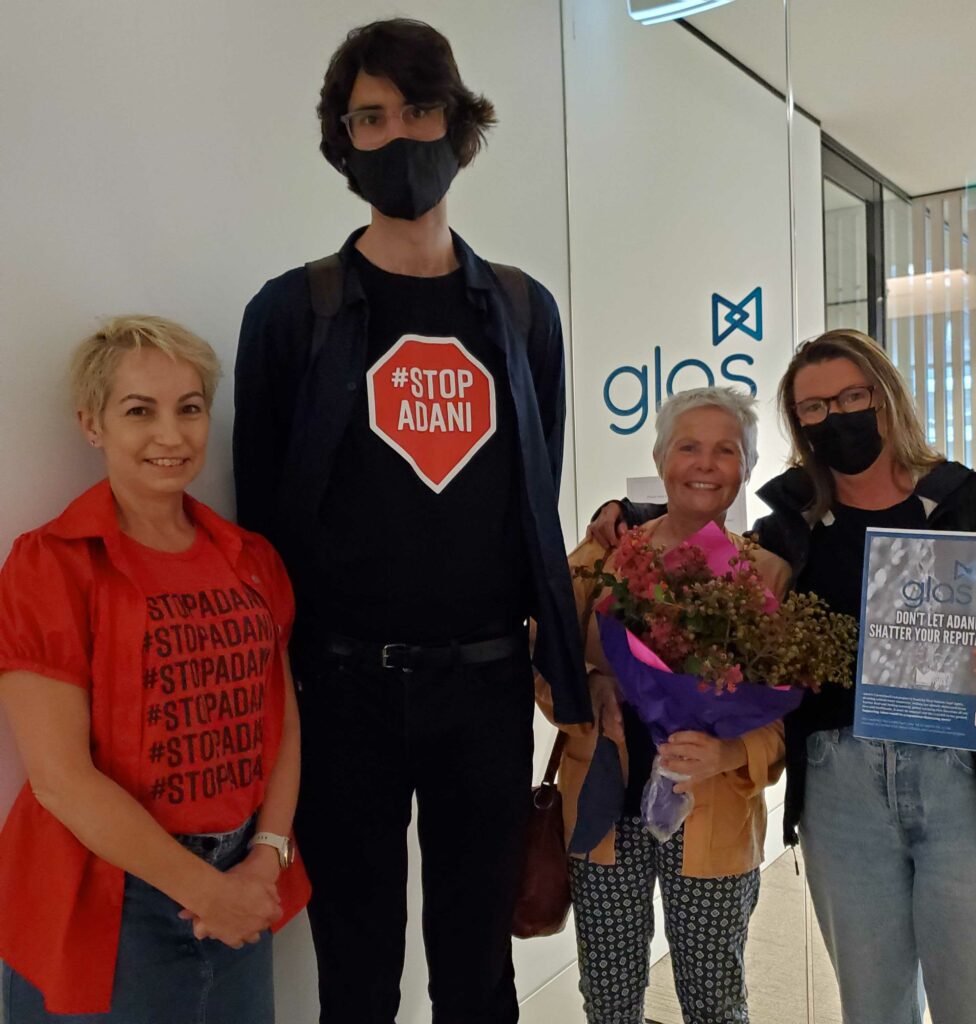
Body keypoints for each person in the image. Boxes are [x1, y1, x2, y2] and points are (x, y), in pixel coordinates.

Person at [232, 18, 590, 1024]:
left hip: (481, 690)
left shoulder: (520, 312)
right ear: (342, 141)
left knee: (478, 969)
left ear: (459, 122)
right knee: (355, 967)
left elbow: (533, 484)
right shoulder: (292, 312)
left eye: (417, 109)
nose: (398, 138)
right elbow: (259, 517)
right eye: (371, 117)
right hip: (339, 690)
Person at [590, 330, 976, 1024]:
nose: (836, 418)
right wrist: (622, 515)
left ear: (887, 397)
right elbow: (703, 531)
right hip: (842, 787)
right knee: (873, 1004)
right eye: (815, 408)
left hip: (963, 784)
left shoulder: (967, 502)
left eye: (853, 397)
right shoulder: (793, 525)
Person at [0, 316, 309, 1022]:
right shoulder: (51, 564)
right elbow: (60, 780)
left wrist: (266, 855)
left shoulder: (250, 559)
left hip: (242, 880)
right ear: (92, 422)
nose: (170, 436)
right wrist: (207, 892)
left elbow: (281, 718)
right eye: (139, 411)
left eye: (189, 408)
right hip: (109, 902)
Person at [538, 387, 787, 1024]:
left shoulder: (763, 574)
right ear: (660, 457)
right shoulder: (602, 557)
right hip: (604, 811)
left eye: (725, 450)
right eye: (689, 447)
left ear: (745, 469)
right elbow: (542, 659)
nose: (705, 464)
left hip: (715, 813)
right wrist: (586, 686)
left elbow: (787, 720)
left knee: (713, 1001)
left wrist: (730, 748)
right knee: (611, 997)